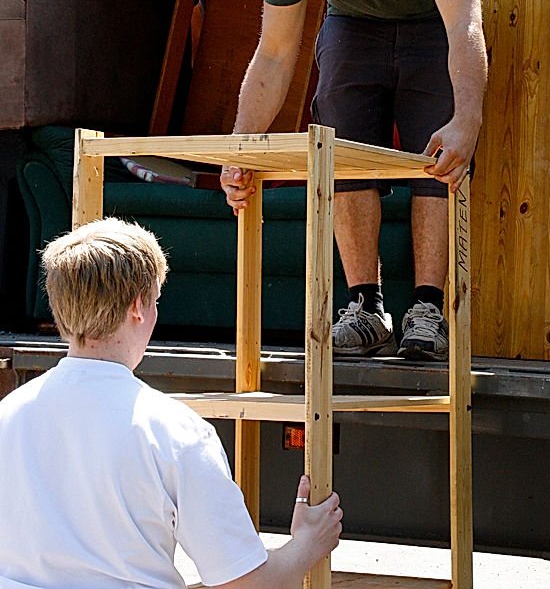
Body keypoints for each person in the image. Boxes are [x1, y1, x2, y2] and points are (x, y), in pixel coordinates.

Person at [220, 0, 487, 363]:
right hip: (353, 25)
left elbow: (464, 23)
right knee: (340, 148)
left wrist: (467, 118)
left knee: (436, 156)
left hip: (431, 26)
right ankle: (367, 307)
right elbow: (274, 53)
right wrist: (242, 147)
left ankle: (427, 309)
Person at [0, 218, 342, 589]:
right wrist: (307, 544)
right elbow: (246, 584)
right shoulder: (176, 430)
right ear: (137, 307)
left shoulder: (8, 413)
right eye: (155, 301)